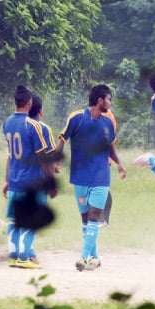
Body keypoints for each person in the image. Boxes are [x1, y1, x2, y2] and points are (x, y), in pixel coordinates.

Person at [55, 84, 127, 272]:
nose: (110, 103)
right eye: (109, 99)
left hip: (101, 176)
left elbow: (110, 146)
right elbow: (62, 139)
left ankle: (83, 257)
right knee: (86, 219)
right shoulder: (77, 118)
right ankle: (95, 256)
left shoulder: (108, 123)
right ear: (100, 100)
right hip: (79, 176)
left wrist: (119, 163)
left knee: (95, 216)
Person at [1, 90, 57, 269]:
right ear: (29, 102)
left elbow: (10, 155)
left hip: (15, 180)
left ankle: (13, 255)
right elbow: (42, 157)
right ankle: (25, 257)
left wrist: (6, 179)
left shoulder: (7, 123)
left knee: (14, 219)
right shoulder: (33, 126)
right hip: (32, 181)